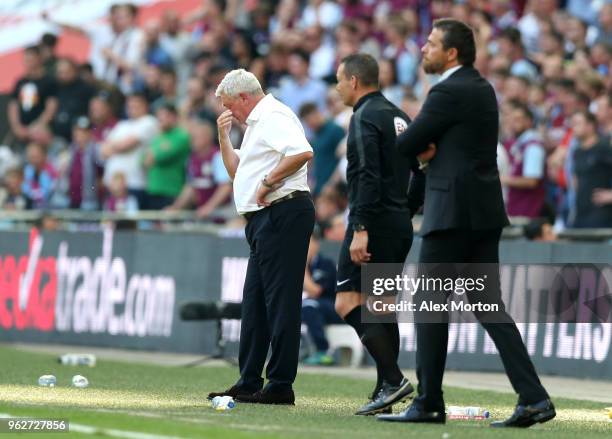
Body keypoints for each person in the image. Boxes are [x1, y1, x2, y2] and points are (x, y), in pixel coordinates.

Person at [381, 18, 555, 427]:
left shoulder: (447, 90)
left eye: (431, 43)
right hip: (482, 216)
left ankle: (428, 402)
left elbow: (404, 145)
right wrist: (432, 151)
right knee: (488, 306)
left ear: (451, 53)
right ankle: (534, 398)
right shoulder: (481, 87)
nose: (423, 48)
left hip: (451, 216)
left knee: (429, 306)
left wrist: (424, 152)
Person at [207, 69, 315, 405]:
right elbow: (238, 173)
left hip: (282, 211)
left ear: (244, 96)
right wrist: (224, 138)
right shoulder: (256, 124)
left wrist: (268, 183)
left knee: (280, 302)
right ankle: (249, 379)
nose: (230, 113)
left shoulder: (272, 115)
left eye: (231, 106)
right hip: (263, 218)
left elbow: (301, 152)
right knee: (255, 302)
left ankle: (281, 383)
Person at [334, 53, 425, 416]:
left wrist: (360, 227)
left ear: (354, 81)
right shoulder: (400, 116)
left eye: (340, 80)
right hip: (397, 224)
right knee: (382, 309)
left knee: (347, 303)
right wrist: (407, 210)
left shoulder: (363, 116)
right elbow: (422, 171)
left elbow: (366, 175)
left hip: (371, 225)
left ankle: (392, 379)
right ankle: (383, 390)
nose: (338, 87)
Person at [301, 227, 342, 366]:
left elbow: (315, 291)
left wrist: (301, 266)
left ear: (316, 244)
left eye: (307, 241)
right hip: (312, 307)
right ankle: (299, 347)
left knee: (309, 304)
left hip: (333, 306)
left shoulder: (325, 264)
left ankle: (323, 351)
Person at [144, 104, 191, 210]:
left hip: (171, 191)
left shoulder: (181, 136)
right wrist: (157, 152)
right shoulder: (158, 136)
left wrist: (153, 153)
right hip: (153, 190)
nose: (160, 118)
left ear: (174, 117)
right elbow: (142, 160)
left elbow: (162, 156)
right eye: (159, 115)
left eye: (164, 115)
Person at [570, 111, 612, 228]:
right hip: (580, 213)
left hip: (600, 214)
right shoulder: (577, 151)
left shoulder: (604, 148)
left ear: (590, 126)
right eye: (572, 124)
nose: (574, 128)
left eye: (577, 124)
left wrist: (610, 195)